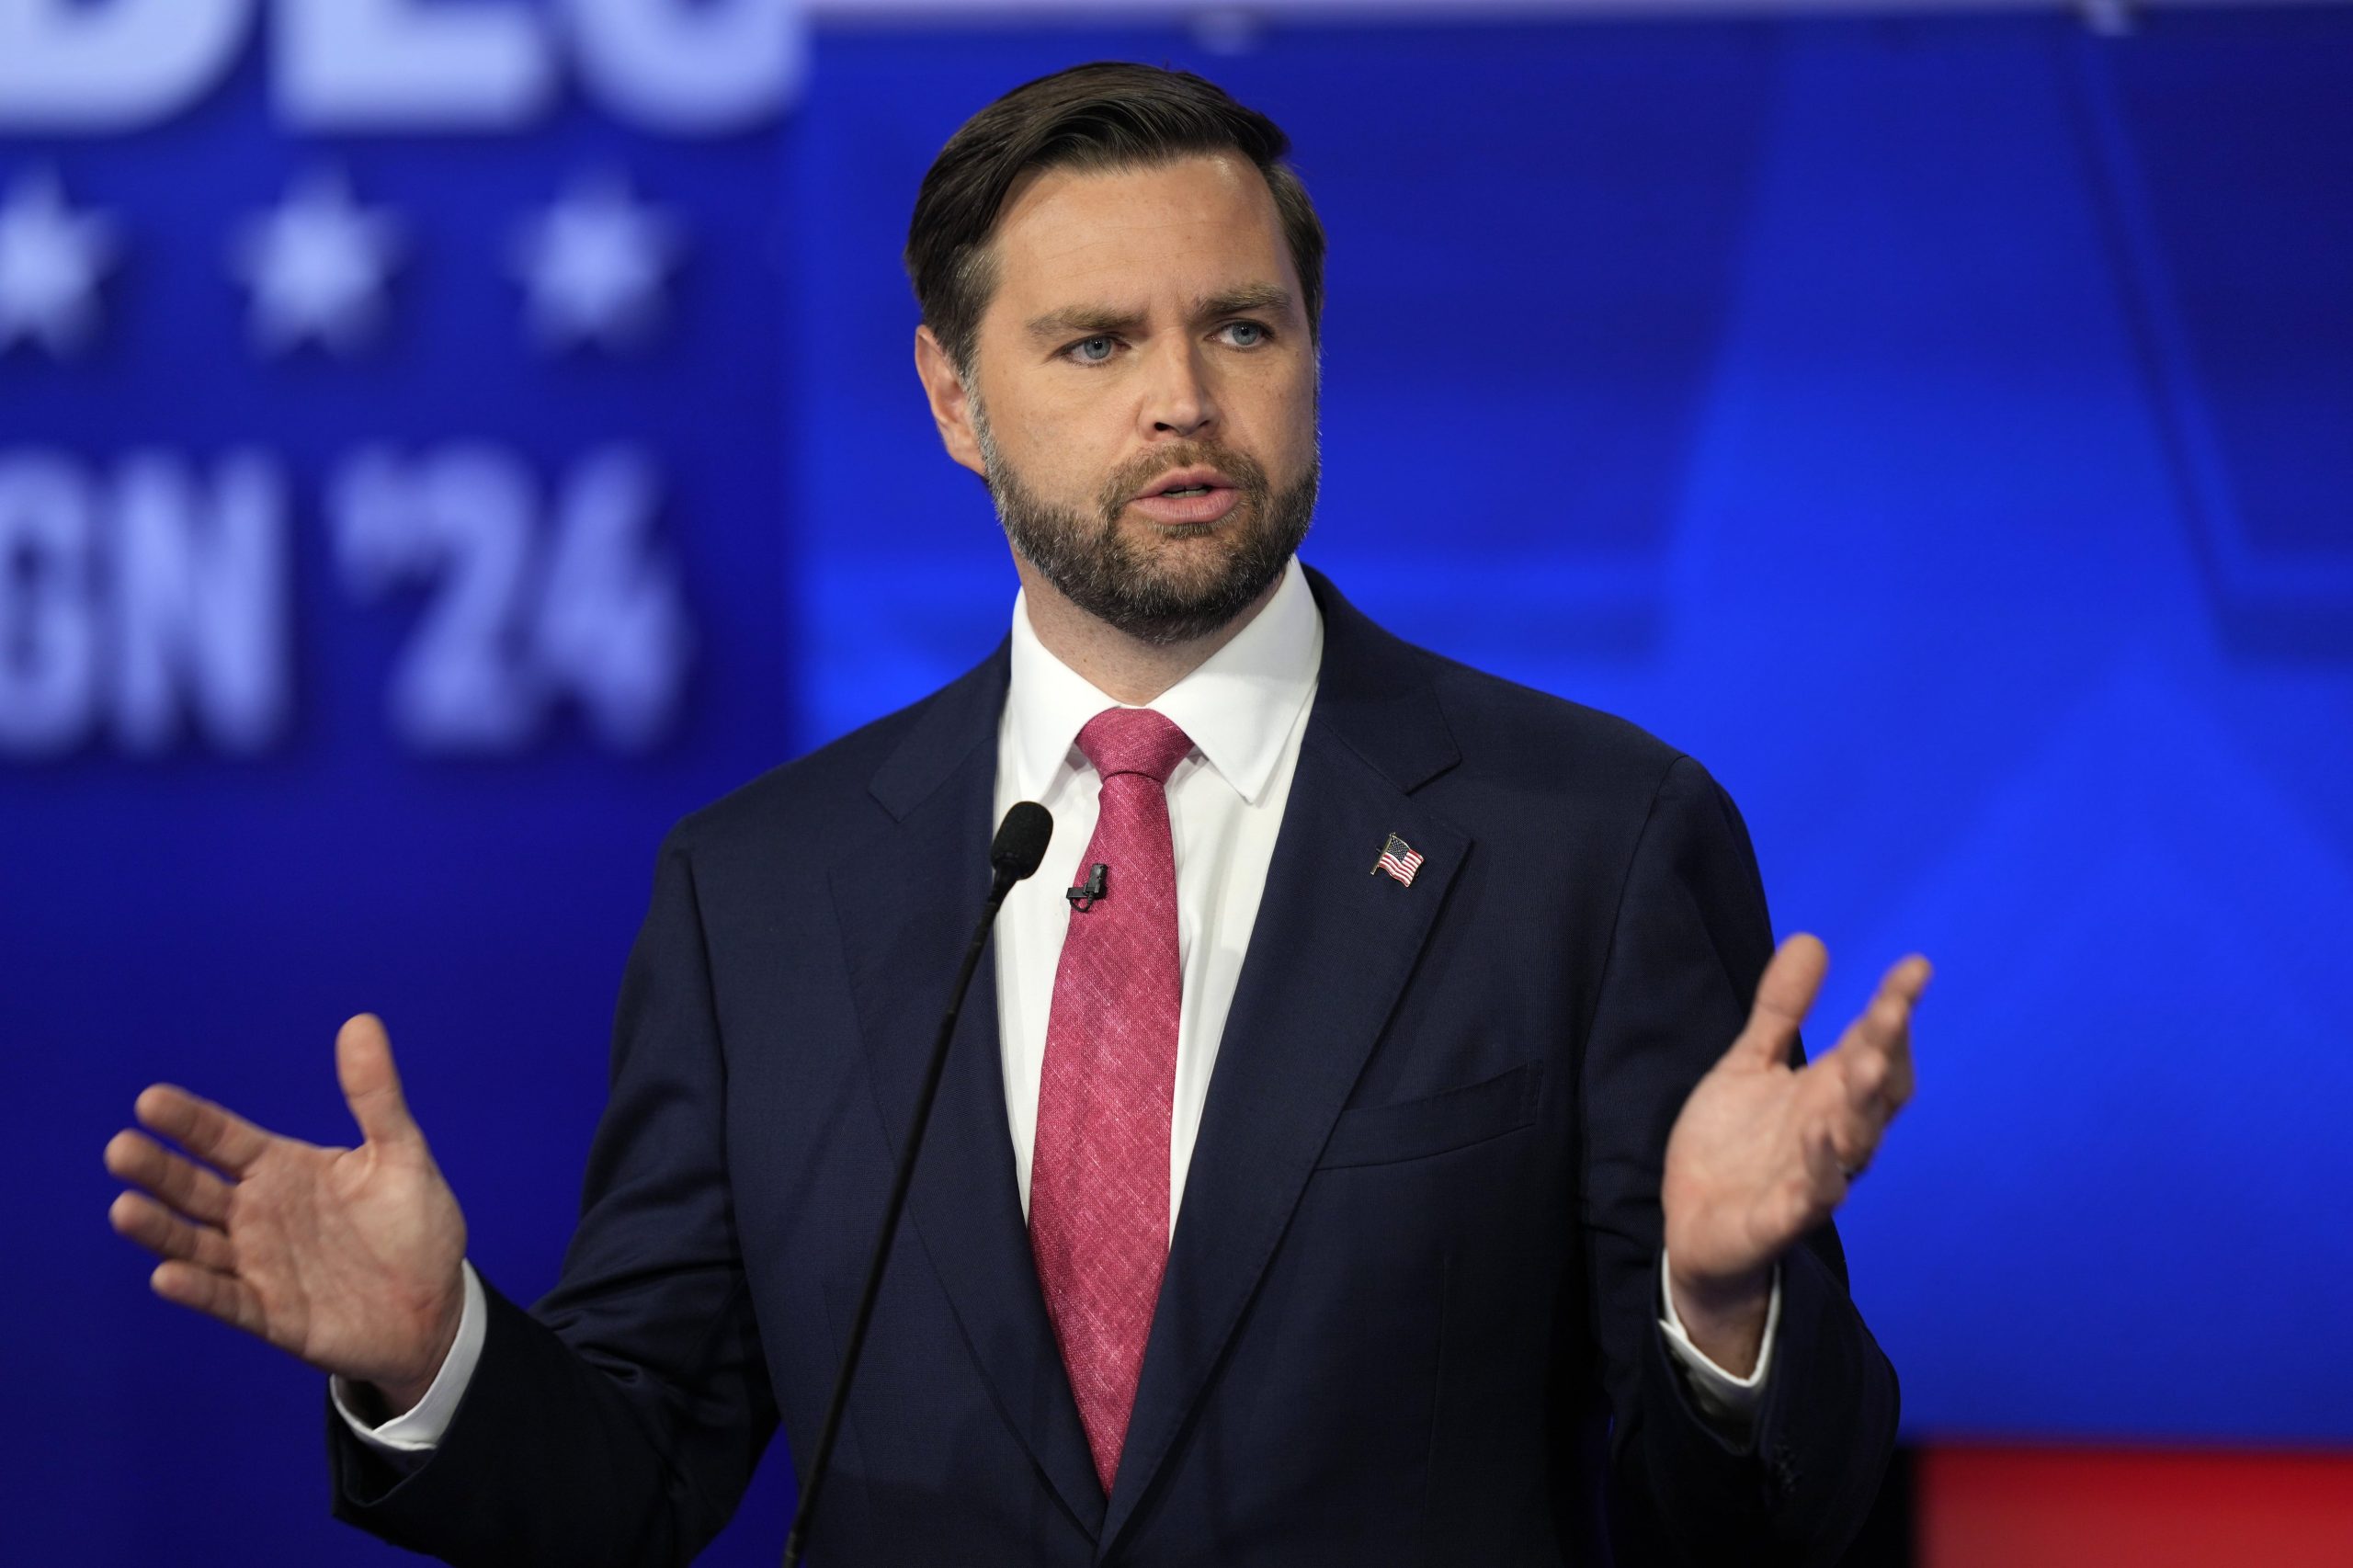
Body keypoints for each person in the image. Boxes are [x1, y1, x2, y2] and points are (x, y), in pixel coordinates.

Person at [103, 62, 1928, 1566]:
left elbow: (1766, 1526)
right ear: (951, 396)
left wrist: (1719, 1308)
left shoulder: (1583, 844)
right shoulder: (762, 895)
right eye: (1090, 345)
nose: (1182, 401)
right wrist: (442, 1357)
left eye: (1240, 326)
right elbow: (634, 1483)